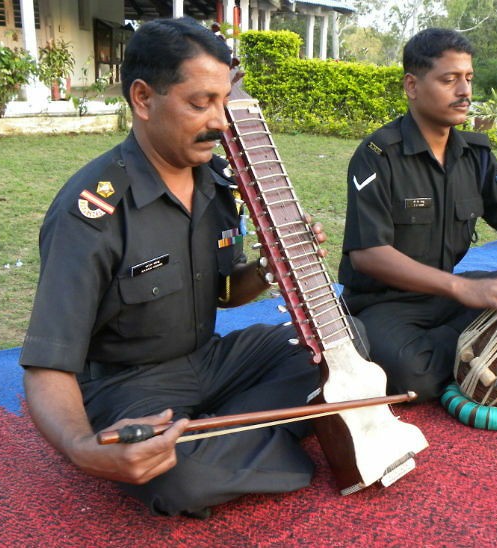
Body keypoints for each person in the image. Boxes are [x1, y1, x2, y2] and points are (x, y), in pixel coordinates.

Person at [19, 17, 328, 519]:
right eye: (200, 103)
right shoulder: (91, 212)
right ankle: (237, 441)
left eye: (224, 101)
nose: (221, 123)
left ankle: (216, 437)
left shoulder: (216, 179)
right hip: (130, 385)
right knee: (182, 477)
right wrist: (81, 449)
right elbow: (48, 363)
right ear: (143, 99)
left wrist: (270, 264)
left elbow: (224, 290)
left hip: (211, 362)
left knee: (341, 344)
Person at [338, 28, 497, 402]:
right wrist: (466, 288)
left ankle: (480, 339)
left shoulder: (474, 154)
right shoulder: (378, 156)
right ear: (412, 86)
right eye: (449, 80)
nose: (465, 92)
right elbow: (369, 255)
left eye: (468, 79)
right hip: (385, 304)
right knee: (415, 377)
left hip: (447, 293)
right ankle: (482, 341)